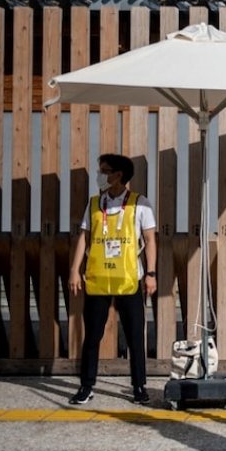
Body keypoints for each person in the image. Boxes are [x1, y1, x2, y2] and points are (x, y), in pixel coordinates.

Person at [67, 154, 157, 405]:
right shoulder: (95, 203)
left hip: (129, 280)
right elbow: (84, 236)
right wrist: (75, 270)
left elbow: (150, 240)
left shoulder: (141, 204)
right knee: (92, 335)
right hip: (98, 280)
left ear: (118, 175)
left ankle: (139, 386)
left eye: (105, 171)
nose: (101, 175)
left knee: (135, 336)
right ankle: (86, 386)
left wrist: (151, 274)